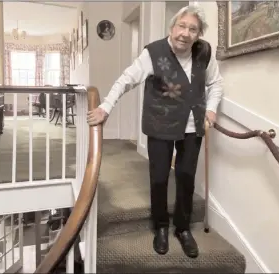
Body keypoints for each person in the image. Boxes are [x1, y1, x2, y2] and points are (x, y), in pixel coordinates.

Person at [87, 5, 223, 258]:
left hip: (193, 125)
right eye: (181, 26)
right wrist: (105, 107)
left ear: (199, 34)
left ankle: (182, 228)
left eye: (193, 29)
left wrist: (212, 109)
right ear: (172, 27)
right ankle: (160, 225)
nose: (185, 33)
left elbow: (215, 83)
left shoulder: (204, 52)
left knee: (186, 177)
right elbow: (126, 80)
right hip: (160, 124)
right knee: (159, 177)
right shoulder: (153, 53)